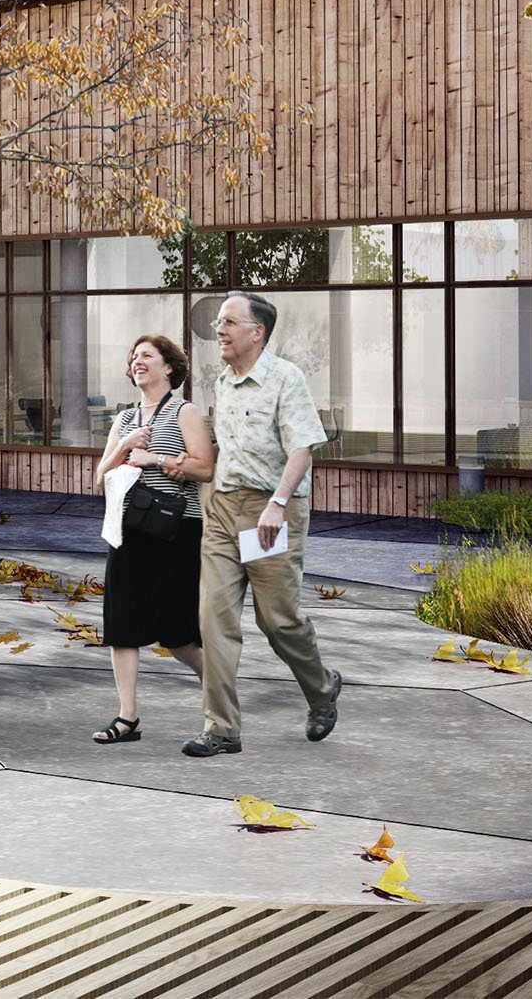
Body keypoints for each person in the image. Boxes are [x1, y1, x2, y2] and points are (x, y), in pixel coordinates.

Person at [184, 291, 344, 758]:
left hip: (267, 514)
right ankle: (221, 730)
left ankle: (322, 688)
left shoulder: (284, 379)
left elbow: (302, 449)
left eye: (230, 322)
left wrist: (276, 503)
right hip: (222, 511)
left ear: (258, 332)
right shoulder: (222, 382)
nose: (219, 329)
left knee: (276, 621)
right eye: (218, 321)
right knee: (213, 619)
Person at [89, 334, 213, 745]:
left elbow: (204, 468)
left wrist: (155, 458)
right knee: (121, 625)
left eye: (147, 356)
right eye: (134, 356)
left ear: (169, 368)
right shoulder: (124, 420)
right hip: (128, 530)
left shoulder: (184, 411)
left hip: (176, 531)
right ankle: (128, 719)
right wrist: (125, 445)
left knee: (178, 634)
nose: (137, 362)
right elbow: (100, 478)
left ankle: (220, 697)